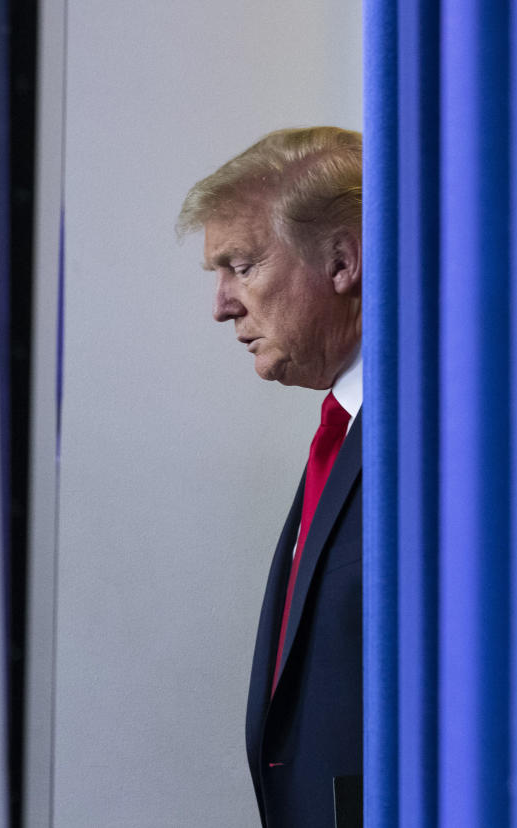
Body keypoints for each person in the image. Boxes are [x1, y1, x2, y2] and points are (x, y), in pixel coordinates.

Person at [177, 126, 364, 828]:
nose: (222, 304)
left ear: (343, 260)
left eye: (243, 265)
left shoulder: (433, 442)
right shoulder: (347, 433)